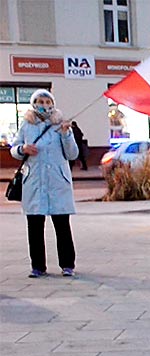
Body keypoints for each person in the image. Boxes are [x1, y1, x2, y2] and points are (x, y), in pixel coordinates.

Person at [10, 89, 79, 278]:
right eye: (40, 101)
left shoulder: (60, 124)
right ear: (34, 103)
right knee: (35, 225)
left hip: (57, 181)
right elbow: (14, 148)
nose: (44, 105)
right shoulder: (26, 124)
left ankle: (67, 265)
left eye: (47, 101)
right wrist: (22, 149)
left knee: (62, 225)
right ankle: (38, 266)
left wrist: (66, 135)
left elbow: (72, 154)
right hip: (34, 180)